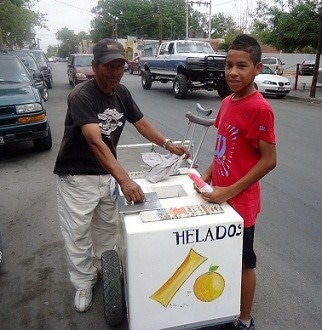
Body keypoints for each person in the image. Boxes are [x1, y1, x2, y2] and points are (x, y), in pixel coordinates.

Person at [53, 38, 189, 313]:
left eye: (120, 66)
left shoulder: (122, 93)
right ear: (95, 66)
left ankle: (104, 269)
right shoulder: (82, 96)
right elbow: (94, 141)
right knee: (78, 233)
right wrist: (125, 178)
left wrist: (167, 144)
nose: (116, 72)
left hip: (107, 175)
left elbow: (141, 124)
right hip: (77, 176)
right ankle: (82, 283)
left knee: (106, 229)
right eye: (109, 66)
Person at [198, 34, 277, 330]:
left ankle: (244, 321)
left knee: (245, 263)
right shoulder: (228, 101)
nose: (233, 72)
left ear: (257, 68)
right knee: (220, 256)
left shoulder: (260, 108)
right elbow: (222, 149)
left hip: (240, 203)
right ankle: (221, 307)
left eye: (242, 66)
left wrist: (229, 191)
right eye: (229, 65)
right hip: (218, 196)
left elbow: (269, 159)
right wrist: (206, 174)